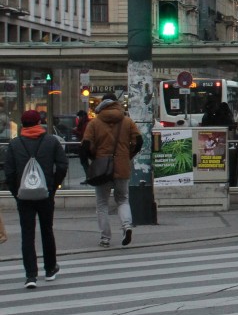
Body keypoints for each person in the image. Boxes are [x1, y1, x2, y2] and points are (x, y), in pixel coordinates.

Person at [4, 109, 68, 288]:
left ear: (22, 124)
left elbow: (9, 172)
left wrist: (17, 192)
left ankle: (30, 275)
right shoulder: (51, 141)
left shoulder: (15, 144)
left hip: (23, 196)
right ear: (39, 123)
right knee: (47, 230)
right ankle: (49, 269)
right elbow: (62, 165)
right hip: (45, 194)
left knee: (27, 234)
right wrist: (53, 186)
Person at [81, 94, 144, 248]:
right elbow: (139, 141)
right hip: (122, 165)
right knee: (122, 199)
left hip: (101, 168)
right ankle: (127, 226)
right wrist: (128, 155)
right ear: (116, 104)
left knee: (102, 203)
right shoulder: (127, 121)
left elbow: (84, 147)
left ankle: (105, 238)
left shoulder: (94, 123)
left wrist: (92, 161)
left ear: (102, 104)